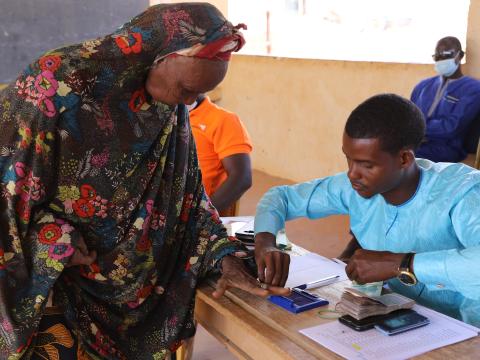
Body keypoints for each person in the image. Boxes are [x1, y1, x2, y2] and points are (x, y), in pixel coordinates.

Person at [0, 4, 288, 359]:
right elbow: (6, 192)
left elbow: (188, 200)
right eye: (186, 89)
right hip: (56, 290)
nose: (188, 103)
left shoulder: (170, 107)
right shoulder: (58, 85)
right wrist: (51, 242)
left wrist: (222, 256)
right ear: (157, 55)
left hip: (138, 294)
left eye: (197, 96)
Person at [254, 93, 480, 327]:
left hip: (468, 328)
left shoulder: (462, 192)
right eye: (349, 160)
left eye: (366, 165)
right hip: (402, 317)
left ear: (404, 159)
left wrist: (400, 264)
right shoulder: (354, 187)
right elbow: (280, 198)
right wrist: (265, 242)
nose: (352, 173)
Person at [411, 36, 480, 162]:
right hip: (416, 143)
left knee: (397, 156)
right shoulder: (423, 86)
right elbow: (408, 117)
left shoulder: (473, 89)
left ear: (460, 56)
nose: (441, 60)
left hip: (447, 148)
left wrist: (418, 129)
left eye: (446, 55)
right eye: (437, 56)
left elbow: (452, 127)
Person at [188, 94, 252, 214]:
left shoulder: (223, 120)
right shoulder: (162, 116)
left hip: (196, 216)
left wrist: (202, 216)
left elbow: (242, 177)